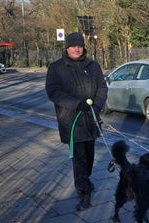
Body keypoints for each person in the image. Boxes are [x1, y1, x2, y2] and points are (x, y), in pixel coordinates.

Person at [45, 32, 108, 211]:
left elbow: (102, 88)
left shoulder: (93, 66)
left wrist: (95, 107)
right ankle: (83, 191)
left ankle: (85, 180)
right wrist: (75, 104)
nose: (76, 48)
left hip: (91, 120)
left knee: (89, 157)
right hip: (71, 122)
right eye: (73, 46)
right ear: (67, 48)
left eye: (79, 45)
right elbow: (53, 92)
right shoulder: (57, 68)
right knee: (79, 159)